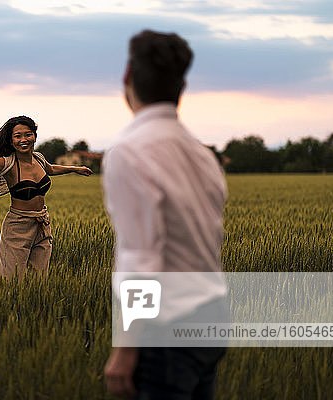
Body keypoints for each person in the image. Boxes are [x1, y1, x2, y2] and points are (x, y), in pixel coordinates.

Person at [102, 30, 228, 399]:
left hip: (167, 328)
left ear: (127, 76)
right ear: (181, 86)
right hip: (212, 315)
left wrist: (125, 350)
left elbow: (142, 259)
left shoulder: (130, 150)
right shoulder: (201, 154)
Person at [0, 116, 93, 281]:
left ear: (34, 136)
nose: (23, 140)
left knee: (38, 279)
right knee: (9, 280)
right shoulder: (8, 164)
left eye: (28, 134)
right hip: (18, 226)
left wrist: (75, 169)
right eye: (18, 136)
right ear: (11, 141)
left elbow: (51, 169)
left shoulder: (38, 158)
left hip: (42, 224)